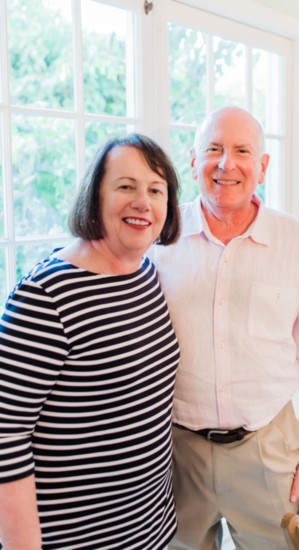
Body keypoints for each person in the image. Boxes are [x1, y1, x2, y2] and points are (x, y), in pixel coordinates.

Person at [149, 106, 299, 549]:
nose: (225, 163)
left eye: (242, 151)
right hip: (176, 452)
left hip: (269, 449)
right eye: (212, 149)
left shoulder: (294, 240)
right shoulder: (160, 237)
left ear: (263, 167)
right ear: (193, 161)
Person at [0, 134, 181, 550]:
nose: (143, 202)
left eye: (156, 190)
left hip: (149, 531)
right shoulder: (47, 295)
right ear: (94, 196)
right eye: (125, 186)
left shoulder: (146, 275)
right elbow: (6, 437)